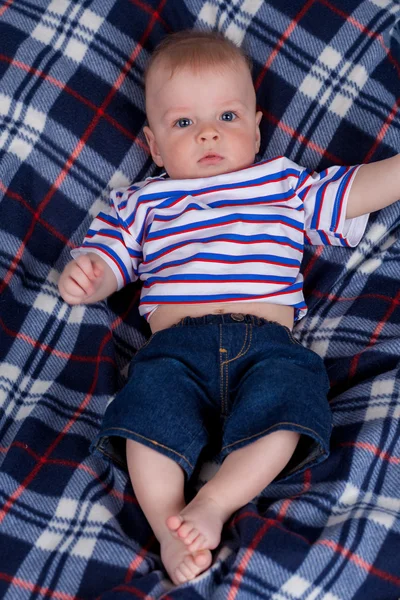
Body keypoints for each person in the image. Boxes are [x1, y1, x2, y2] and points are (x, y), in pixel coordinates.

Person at [58, 30, 400, 585]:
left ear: (258, 126)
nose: (209, 132)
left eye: (228, 116)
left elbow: (354, 191)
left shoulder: (281, 184)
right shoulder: (142, 202)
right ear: (154, 145)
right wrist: (89, 276)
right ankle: (169, 528)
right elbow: (109, 261)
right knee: (145, 417)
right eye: (184, 123)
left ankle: (213, 503)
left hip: (267, 345)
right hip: (174, 350)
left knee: (289, 407)